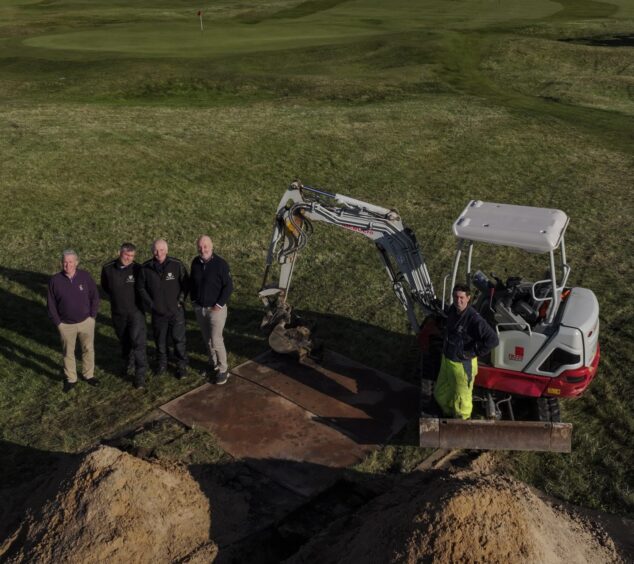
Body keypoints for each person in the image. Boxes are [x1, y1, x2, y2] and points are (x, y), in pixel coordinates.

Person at [433, 284, 499, 419]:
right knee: (441, 392)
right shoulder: (453, 310)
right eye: (456, 297)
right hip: (447, 360)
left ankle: (462, 423)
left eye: (462, 297)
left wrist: (472, 353)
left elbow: (492, 340)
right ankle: (447, 415)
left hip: (462, 366)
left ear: (468, 298)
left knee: (462, 401)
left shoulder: (474, 319)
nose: (458, 301)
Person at [47, 250, 100, 392]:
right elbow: (51, 304)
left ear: (76, 262)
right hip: (65, 325)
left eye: (71, 261)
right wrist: (58, 323)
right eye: (65, 261)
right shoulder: (55, 280)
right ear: (61, 263)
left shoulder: (85, 276)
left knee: (88, 349)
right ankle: (71, 378)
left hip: (86, 322)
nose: (67, 264)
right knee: (68, 352)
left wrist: (92, 316)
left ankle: (88, 375)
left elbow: (94, 296)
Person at [137, 239, 189, 379]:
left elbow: (185, 284)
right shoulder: (145, 267)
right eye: (155, 250)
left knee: (179, 340)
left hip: (176, 311)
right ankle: (162, 364)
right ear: (152, 251)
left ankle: (181, 365)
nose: (158, 253)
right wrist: (151, 304)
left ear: (166, 250)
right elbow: (141, 288)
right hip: (157, 313)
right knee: (160, 341)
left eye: (161, 250)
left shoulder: (177, 264)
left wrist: (180, 301)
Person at [101, 242, 148, 389]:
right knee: (125, 341)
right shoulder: (108, 269)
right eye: (126, 255)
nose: (129, 258)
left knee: (138, 343)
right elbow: (105, 287)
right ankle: (129, 363)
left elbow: (144, 288)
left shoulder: (138, 269)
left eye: (132, 256)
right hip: (118, 313)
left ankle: (140, 375)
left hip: (136, 313)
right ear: (120, 253)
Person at [190, 235, 233, 385]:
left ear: (212, 246)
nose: (203, 249)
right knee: (207, 339)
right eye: (200, 247)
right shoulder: (195, 263)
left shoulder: (221, 264)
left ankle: (223, 369)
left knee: (216, 340)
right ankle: (213, 364)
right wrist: (194, 301)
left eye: (206, 246)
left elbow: (228, 287)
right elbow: (192, 283)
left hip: (216, 310)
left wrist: (219, 305)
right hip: (200, 308)